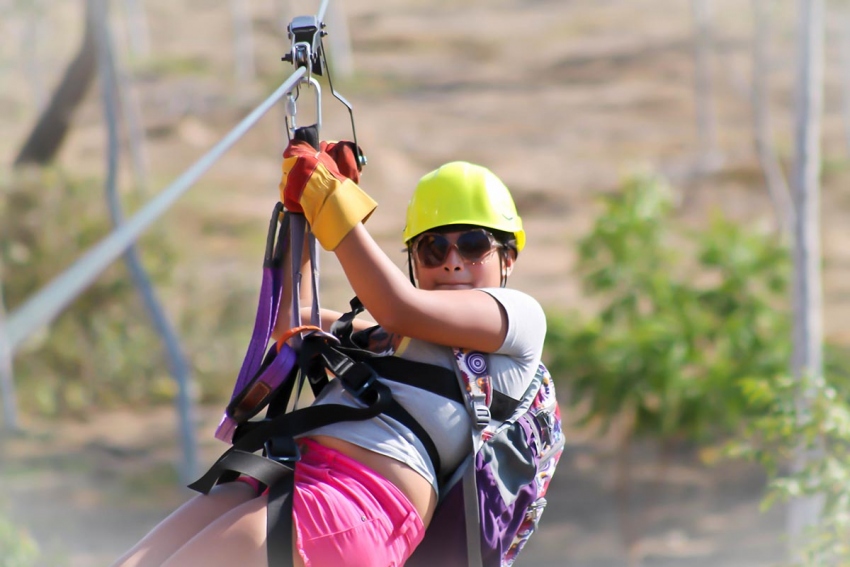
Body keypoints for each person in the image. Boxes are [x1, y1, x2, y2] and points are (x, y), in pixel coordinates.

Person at [111, 136, 547, 567]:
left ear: (507, 257)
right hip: (293, 476)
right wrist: (301, 213)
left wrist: (330, 199)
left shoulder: (519, 318)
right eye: (433, 248)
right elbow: (295, 322)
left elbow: (398, 304)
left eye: (473, 245)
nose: (453, 261)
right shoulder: (391, 337)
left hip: (358, 502)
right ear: (415, 260)